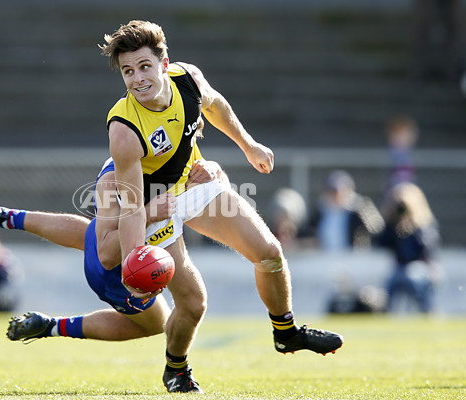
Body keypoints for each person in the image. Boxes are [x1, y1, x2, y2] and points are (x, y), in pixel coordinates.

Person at [99, 20, 343, 392]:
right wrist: (135, 259)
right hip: (153, 204)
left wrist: (249, 146)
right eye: (128, 71)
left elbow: (215, 105)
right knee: (194, 304)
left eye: (144, 67)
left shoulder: (189, 79)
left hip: (193, 183)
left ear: (164, 65)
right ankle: (176, 368)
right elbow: (132, 207)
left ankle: (286, 332)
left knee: (270, 253)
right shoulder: (124, 129)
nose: (136, 79)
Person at [0, 158, 222, 346]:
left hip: (108, 246)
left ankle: (6, 217)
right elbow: (107, 253)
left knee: (88, 232)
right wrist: (148, 214)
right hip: (114, 273)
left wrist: (213, 168)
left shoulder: (155, 155)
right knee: (159, 322)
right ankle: (52, 326)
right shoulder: (113, 179)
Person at [377, 182, 442, 313]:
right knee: (393, 279)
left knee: (411, 276)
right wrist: (392, 220)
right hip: (400, 268)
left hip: (423, 267)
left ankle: (428, 310)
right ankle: (386, 311)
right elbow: (383, 241)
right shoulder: (394, 226)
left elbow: (426, 249)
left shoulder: (424, 225)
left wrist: (411, 225)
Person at [306, 170, 384, 251]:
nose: (336, 195)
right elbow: (308, 234)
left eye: (340, 191)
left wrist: (361, 206)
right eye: (332, 191)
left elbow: (377, 229)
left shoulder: (356, 213)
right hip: (324, 257)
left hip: (351, 258)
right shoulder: (320, 213)